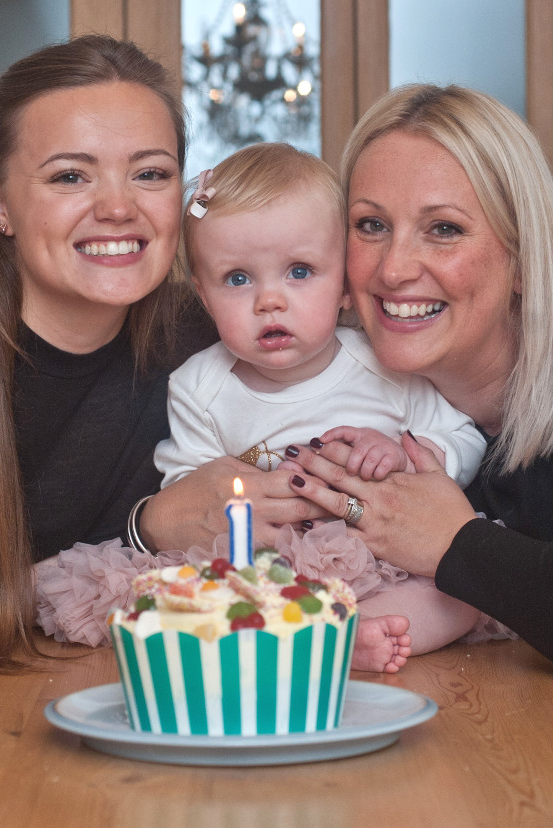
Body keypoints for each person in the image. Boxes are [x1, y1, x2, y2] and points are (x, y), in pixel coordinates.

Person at [271, 84, 553, 696]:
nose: (393, 269)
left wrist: (454, 545)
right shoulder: (325, 372)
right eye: (371, 225)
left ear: (520, 256)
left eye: (443, 229)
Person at [0, 35, 213, 668]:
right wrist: (148, 531)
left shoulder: (199, 335)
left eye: (150, 174)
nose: (119, 207)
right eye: (70, 176)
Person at [149, 142, 497, 673]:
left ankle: (346, 634)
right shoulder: (199, 386)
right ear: (202, 293)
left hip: (384, 560)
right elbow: (185, 497)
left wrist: (408, 456)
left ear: (343, 286)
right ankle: (293, 637)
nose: (270, 300)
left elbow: (466, 441)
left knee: (460, 593)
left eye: (299, 272)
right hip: (263, 566)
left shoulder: (384, 364)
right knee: (178, 598)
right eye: (238, 279)